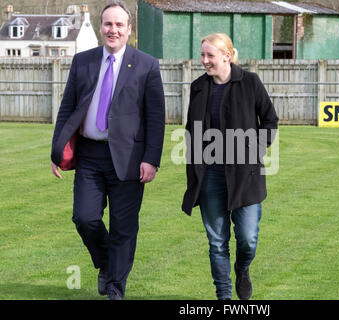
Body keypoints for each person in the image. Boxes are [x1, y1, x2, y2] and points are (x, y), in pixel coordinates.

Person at [50, 0, 165, 300]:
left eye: (118, 25)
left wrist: (151, 159)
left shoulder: (147, 65)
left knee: (124, 227)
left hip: (128, 160)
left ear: (129, 30)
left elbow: (156, 117)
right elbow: (67, 109)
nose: (112, 30)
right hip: (90, 155)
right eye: (108, 24)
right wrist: (57, 149)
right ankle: (106, 263)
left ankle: (115, 287)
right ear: (101, 28)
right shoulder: (83, 61)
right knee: (85, 217)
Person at [182, 33, 278, 300]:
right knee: (217, 242)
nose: (204, 61)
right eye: (202, 55)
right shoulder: (198, 87)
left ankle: (243, 268)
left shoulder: (250, 83)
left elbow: (270, 121)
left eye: (209, 55)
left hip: (245, 176)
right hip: (211, 176)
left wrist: (254, 151)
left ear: (226, 55)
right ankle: (223, 297)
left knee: (248, 239)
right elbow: (192, 131)